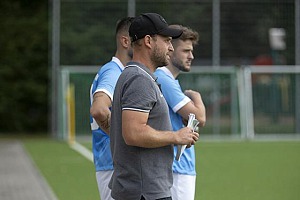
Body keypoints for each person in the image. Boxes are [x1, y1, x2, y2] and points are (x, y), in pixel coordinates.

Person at [109, 13, 199, 200]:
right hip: (144, 192)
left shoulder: (138, 76)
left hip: (142, 190)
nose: (171, 48)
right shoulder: (139, 80)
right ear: (148, 41)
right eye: (166, 40)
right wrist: (175, 136)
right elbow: (133, 133)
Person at [154, 25, 206, 200]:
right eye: (185, 51)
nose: (191, 56)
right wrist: (195, 96)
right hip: (177, 167)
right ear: (170, 50)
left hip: (179, 167)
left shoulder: (168, 79)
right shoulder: (163, 77)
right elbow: (200, 117)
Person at [89, 16, 134, 200]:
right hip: (113, 165)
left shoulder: (120, 72)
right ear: (125, 41)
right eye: (139, 39)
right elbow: (99, 109)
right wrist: (123, 137)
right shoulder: (113, 72)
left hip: (113, 165)